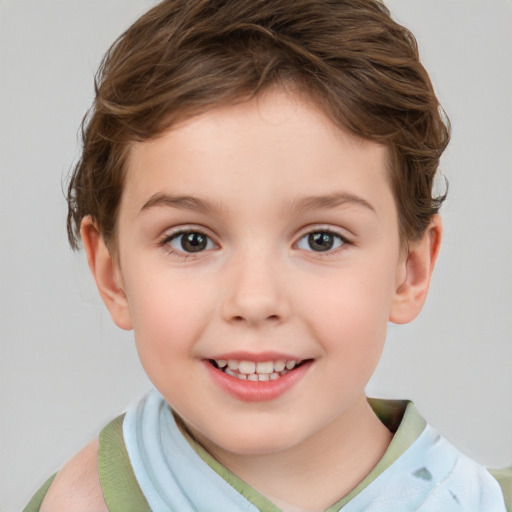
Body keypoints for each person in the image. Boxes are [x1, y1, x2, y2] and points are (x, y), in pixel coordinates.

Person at [24, 0, 511, 510]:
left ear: (410, 270)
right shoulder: (72, 501)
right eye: (191, 240)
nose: (254, 300)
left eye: (321, 239)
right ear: (113, 274)